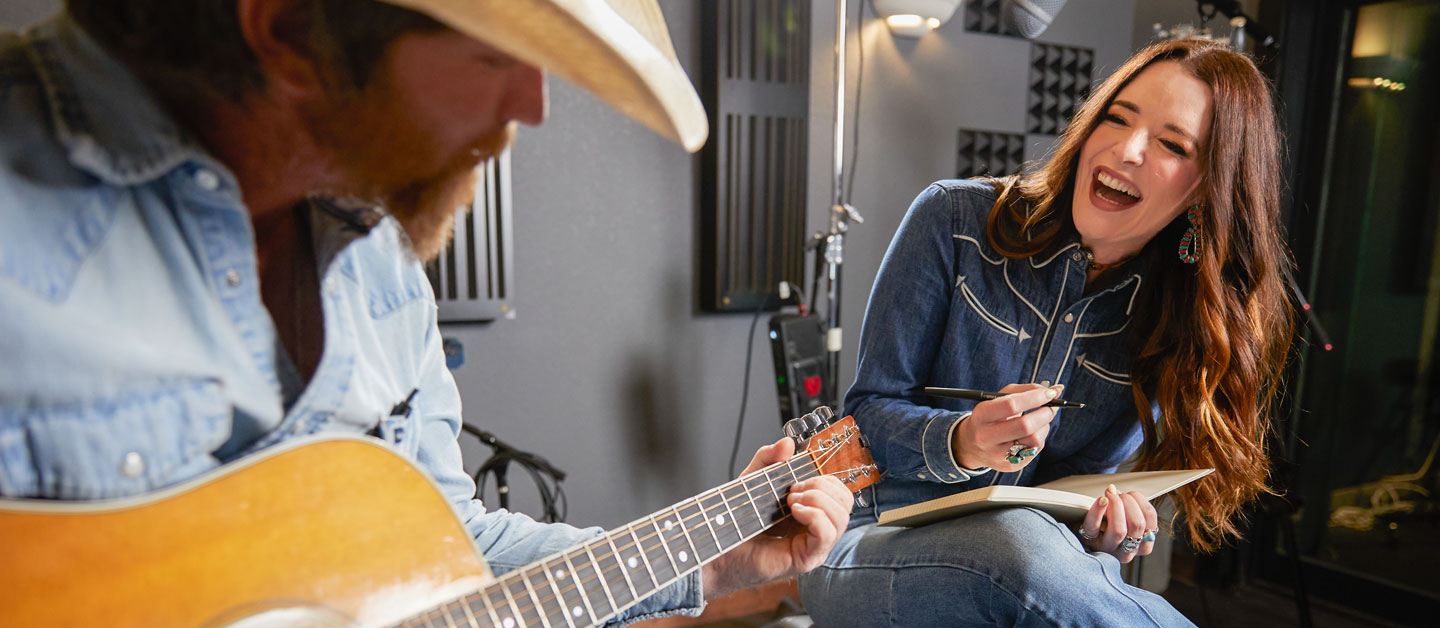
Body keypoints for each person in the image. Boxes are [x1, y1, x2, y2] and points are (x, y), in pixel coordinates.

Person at [0, 0, 854, 625]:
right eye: (495, 56)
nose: (532, 108)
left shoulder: (378, 255)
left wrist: (714, 559)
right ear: (291, 30)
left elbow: (452, 550)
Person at [797, 38, 1293, 627]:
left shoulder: (1170, 316)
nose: (1126, 149)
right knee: (1021, 550)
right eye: (1118, 117)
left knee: (1035, 550)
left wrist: (1106, 534)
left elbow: (1071, 496)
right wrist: (964, 441)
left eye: (1170, 144)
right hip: (861, 542)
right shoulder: (952, 220)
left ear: (1207, 188)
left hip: (1025, 558)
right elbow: (866, 419)